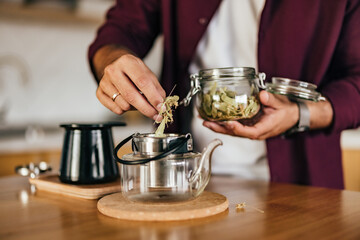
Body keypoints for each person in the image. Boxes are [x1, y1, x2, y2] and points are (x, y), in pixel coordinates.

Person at [88, 0, 360, 189]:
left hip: (301, 187)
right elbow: (120, 28)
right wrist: (113, 61)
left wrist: (301, 114)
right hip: (182, 182)